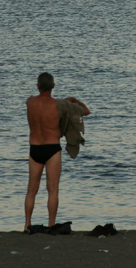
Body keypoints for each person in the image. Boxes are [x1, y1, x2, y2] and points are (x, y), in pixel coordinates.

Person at [24, 72, 90, 233]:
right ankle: (51, 224)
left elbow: (42, 104)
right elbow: (85, 111)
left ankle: (27, 225)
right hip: (52, 148)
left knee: (32, 190)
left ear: (38, 86)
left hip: (34, 148)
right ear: (53, 86)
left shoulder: (30, 102)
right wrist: (74, 100)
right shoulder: (60, 105)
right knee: (52, 189)